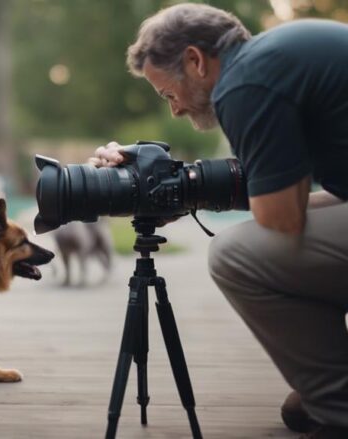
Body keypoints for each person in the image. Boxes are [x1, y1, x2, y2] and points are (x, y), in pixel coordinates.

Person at [90, 4, 348, 438]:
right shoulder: (275, 59)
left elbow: (283, 217)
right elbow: (321, 198)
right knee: (259, 245)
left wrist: (186, 188)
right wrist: (178, 186)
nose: (174, 111)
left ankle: (341, 408)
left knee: (235, 254)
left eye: (169, 94)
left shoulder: (245, 83)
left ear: (195, 61)